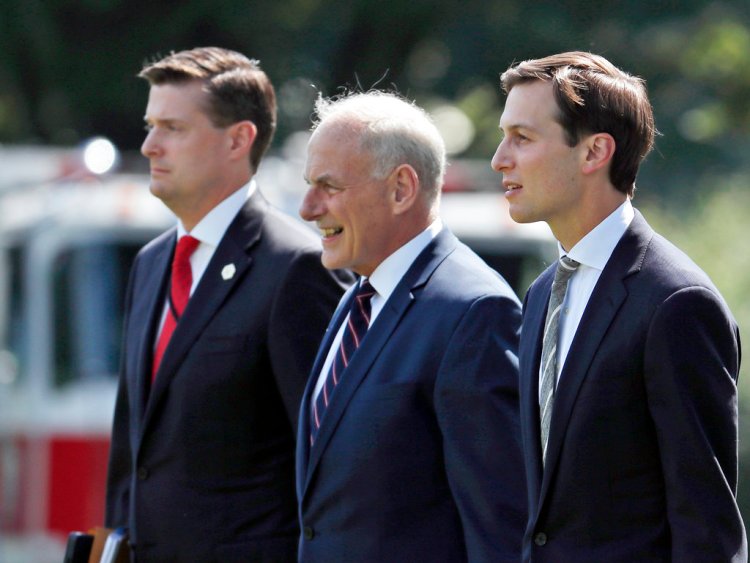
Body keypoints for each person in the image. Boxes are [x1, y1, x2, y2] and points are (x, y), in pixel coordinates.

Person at [491, 50, 747, 562]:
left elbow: (707, 528)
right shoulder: (542, 293)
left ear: (594, 153)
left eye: (522, 138)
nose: (500, 158)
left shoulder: (677, 303)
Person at [105, 47, 352, 562]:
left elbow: (330, 465)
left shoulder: (298, 268)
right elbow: (135, 453)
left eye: (173, 128)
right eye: (150, 125)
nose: (150, 145)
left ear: (239, 139)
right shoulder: (152, 263)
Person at [295, 90, 526, 562]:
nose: (308, 207)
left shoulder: (473, 312)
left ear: (401, 189)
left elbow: (498, 528)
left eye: (329, 186)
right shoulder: (357, 299)